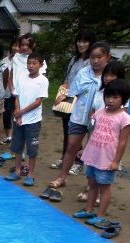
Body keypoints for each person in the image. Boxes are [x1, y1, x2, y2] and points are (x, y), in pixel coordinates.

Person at [48, 41, 111, 192]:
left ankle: (91, 185)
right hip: (79, 115)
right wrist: (62, 97)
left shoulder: (110, 76)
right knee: (71, 147)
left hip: (99, 119)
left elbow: (119, 96)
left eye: (99, 57)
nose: (95, 61)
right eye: (92, 57)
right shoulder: (83, 72)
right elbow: (72, 92)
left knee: (93, 152)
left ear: (107, 57)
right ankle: (62, 177)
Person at [71, 79, 130, 229]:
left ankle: (100, 216)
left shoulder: (124, 118)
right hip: (93, 156)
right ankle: (89, 210)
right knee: (92, 184)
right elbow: (93, 133)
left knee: (104, 188)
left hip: (107, 160)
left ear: (123, 99)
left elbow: (122, 142)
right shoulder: (99, 112)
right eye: (108, 96)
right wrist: (85, 149)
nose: (110, 100)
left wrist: (116, 161)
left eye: (115, 97)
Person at [77, 60, 127, 203]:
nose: (108, 78)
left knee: (103, 172)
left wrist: (116, 159)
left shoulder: (122, 100)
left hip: (109, 142)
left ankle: (99, 194)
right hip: (96, 132)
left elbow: (122, 128)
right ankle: (90, 189)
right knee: (91, 167)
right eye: (106, 75)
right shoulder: (100, 92)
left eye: (112, 75)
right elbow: (93, 112)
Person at [50, 30, 96, 170]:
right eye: (79, 41)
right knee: (67, 131)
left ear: (91, 43)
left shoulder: (91, 62)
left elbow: (86, 84)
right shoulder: (74, 59)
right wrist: (64, 88)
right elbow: (68, 78)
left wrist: (72, 92)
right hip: (68, 99)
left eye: (85, 41)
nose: (81, 44)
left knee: (78, 132)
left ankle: (78, 161)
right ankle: (65, 158)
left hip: (82, 102)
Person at [4, 52, 49, 187]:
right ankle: (17, 171)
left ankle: (30, 174)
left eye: (34, 63)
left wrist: (21, 113)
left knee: (32, 149)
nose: (31, 66)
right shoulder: (22, 78)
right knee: (17, 147)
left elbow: (38, 101)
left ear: (41, 65)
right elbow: (17, 96)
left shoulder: (43, 80)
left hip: (33, 121)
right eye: (29, 63)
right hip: (19, 120)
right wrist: (18, 113)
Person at [1, 37, 20, 145]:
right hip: (7, 92)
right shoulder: (5, 60)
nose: (16, 48)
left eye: (18, 45)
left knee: (16, 114)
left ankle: (16, 136)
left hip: (18, 92)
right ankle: (8, 136)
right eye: (14, 45)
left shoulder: (23, 61)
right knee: (6, 114)